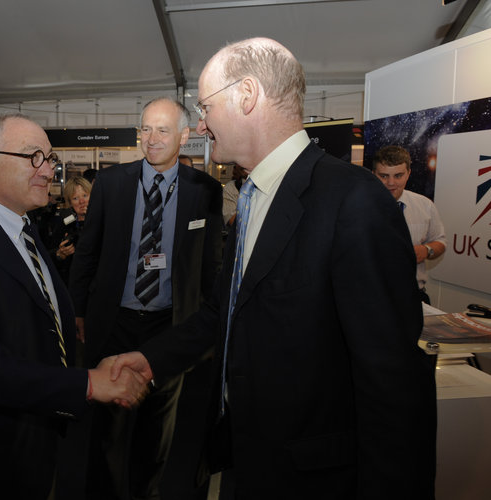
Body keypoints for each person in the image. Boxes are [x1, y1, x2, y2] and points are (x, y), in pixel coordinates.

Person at [112, 38, 437, 499]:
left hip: (311, 477)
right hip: (247, 455)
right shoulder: (253, 195)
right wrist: (150, 361)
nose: (200, 125)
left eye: (205, 107)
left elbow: (392, 382)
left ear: (247, 95)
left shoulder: (353, 201)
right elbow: (225, 309)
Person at [0, 114, 147, 499]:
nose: (48, 169)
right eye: (33, 157)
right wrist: (88, 383)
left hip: (39, 437)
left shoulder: (23, 226)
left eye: (50, 157)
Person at [69, 97, 223, 500]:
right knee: (106, 430)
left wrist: (204, 329)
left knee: (158, 432)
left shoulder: (204, 191)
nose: (151, 139)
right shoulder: (112, 183)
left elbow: (210, 265)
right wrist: (79, 310)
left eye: (162, 130)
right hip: (114, 321)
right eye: (145, 129)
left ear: (185, 136)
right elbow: (88, 251)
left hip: (168, 325)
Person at [373, 145, 446, 304]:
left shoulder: (425, 205)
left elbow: (440, 242)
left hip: (413, 296)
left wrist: (426, 250)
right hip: (371, 297)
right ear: (374, 175)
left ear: (408, 174)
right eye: (384, 176)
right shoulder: (356, 207)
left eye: (398, 175)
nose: (391, 183)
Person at [50, 176, 91, 285]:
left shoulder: (102, 220)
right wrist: (60, 254)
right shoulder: (65, 222)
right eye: (75, 198)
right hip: (71, 281)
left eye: (85, 195)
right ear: (69, 202)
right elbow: (50, 253)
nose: (82, 201)